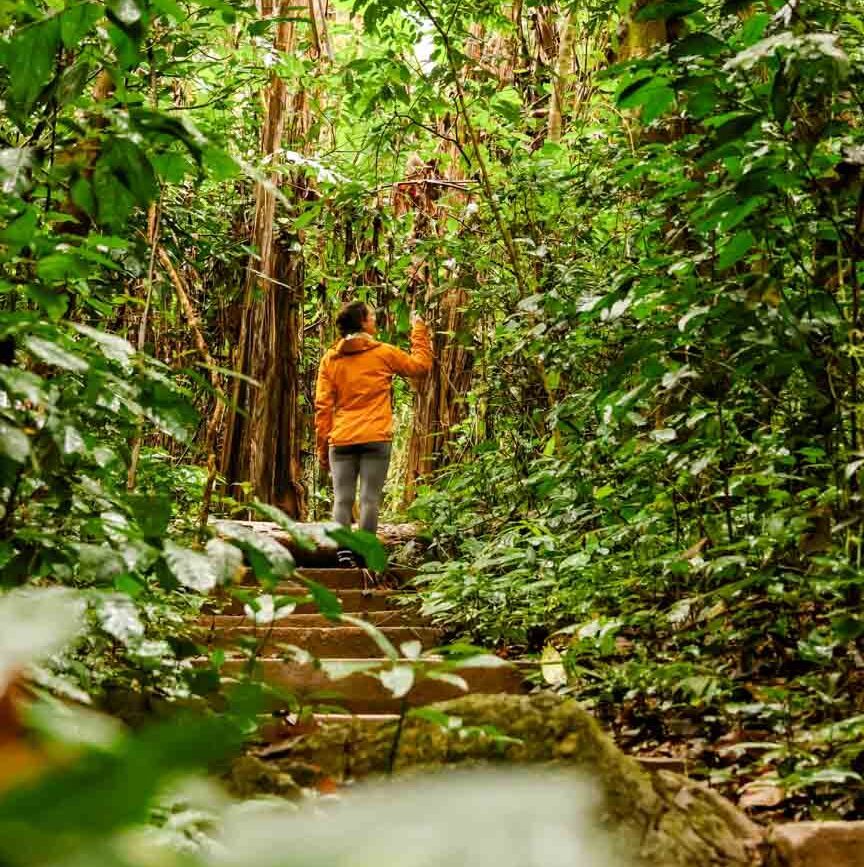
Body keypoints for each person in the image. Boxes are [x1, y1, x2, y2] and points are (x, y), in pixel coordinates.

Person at [315, 300, 432, 567]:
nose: (375, 319)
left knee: (342, 499)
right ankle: (364, 553)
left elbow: (323, 408)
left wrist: (323, 447)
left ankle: (343, 552)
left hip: (341, 439)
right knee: (369, 498)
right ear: (363, 323)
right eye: (371, 316)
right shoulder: (382, 353)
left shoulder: (330, 359)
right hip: (376, 437)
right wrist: (419, 329)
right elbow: (420, 368)